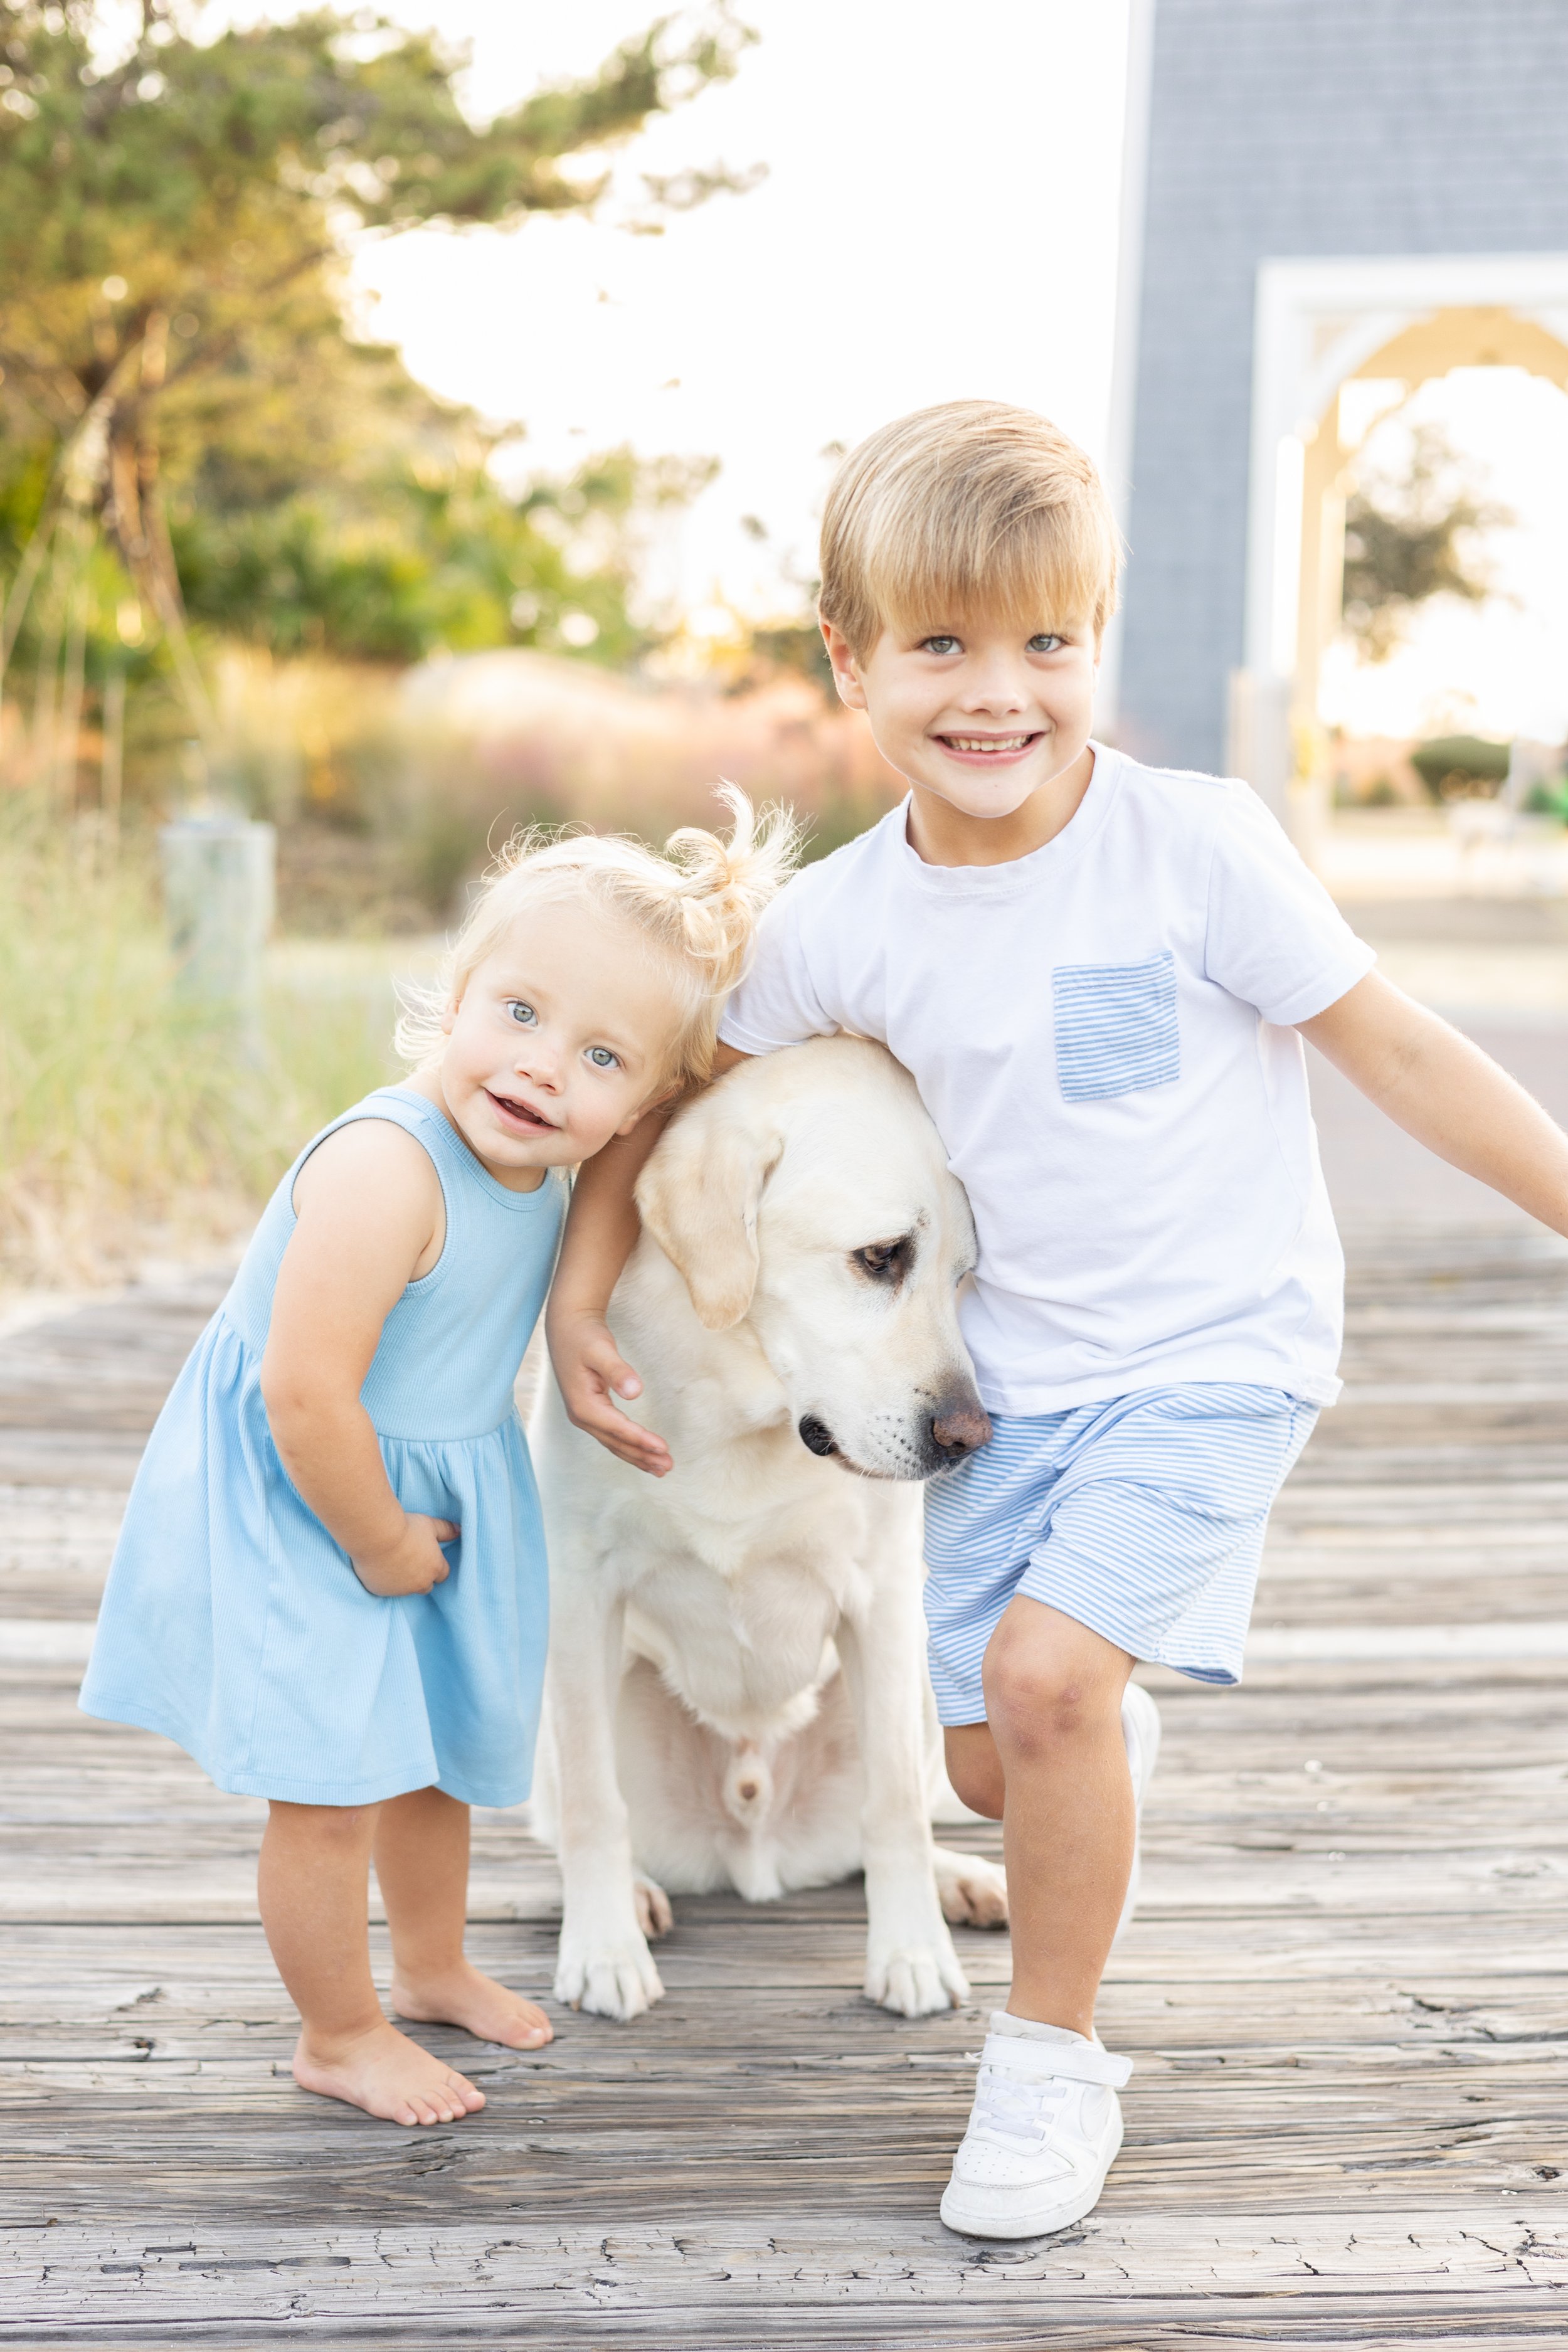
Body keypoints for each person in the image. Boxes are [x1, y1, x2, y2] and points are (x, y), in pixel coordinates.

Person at [546, 401, 1568, 2237]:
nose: (994, 691)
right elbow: (669, 1107)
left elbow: (1394, 1046)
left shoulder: (1195, 849)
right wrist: (569, 1289)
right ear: (849, 659)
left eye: (1045, 641)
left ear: (1098, 641)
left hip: (1213, 1359)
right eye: (939, 643)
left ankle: (1046, 2065)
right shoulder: (838, 926)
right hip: (1002, 1396)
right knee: (967, 1757)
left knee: (1033, 1685)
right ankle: (1084, 1748)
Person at [81, 790, 794, 2130]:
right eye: (517, 1015)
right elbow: (302, 1394)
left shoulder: (545, 1152)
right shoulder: (388, 1171)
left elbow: (647, 1124)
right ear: (456, 992)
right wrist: (374, 1540)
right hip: (315, 1492)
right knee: (331, 1788)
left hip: (428, 1487)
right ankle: (337, 2031)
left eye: (599, 1057)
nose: (539, 1070)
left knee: (436, 1757)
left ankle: (425, 1963)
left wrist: (579, 1307)